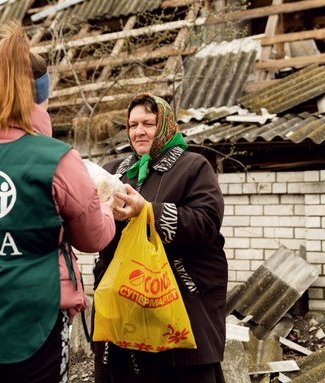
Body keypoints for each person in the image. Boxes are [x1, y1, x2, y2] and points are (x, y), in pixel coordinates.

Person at [0, 22, 116, 383]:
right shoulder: (58, 159)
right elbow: (92, 239)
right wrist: (107, 206)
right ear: (41, 97)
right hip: (33, 317)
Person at [92, 93, 228, 383]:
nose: (138, 131)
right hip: (123, 306)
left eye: (148, 123)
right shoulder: (114, 172)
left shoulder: (193, 167)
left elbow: (206, 224)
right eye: (132, 125)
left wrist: (148, 211)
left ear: (165, 125)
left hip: (178, 303)